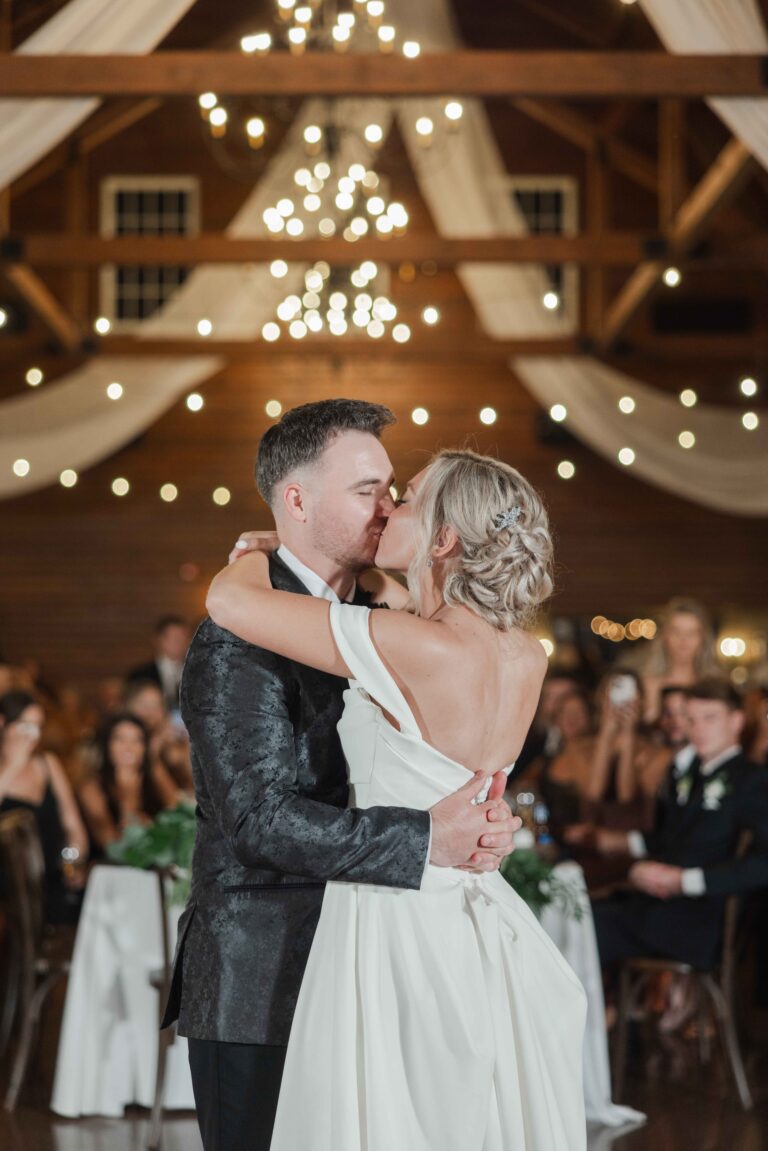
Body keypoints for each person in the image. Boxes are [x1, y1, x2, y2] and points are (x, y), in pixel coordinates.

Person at [161, 401, 523, 1151]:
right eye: (367, 490)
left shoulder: (387, 616)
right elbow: (258, 819)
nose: (388, 506)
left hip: (378, 963)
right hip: (265, 977)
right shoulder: (237, 640)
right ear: (296, 501)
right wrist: (430, 837)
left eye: (393, 488)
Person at [591, 679, 768, 974]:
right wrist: (626, 845)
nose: (698, 729)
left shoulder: (752, 781)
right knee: (581, 914)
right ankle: (609, 1014)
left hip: (698, 921)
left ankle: (601, 1016)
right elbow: (671, 838)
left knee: (584, 928)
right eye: (691, 719)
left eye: (709, 718)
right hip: (660, 910)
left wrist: (683, 880)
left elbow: (763, 863)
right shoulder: (691, 774)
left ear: (736, 721)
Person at [0, 691, 88, 924]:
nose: (33, 736)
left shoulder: (48, 763)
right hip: (8, 890)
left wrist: (74, 858)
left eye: (38, 727)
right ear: (3, 724)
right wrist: (14, 765)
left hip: (51, 878)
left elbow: (72, 824)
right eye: (25, 726)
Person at [78, 713, 175, 854]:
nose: (129, 747)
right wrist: (129, 799)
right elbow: (112, 847)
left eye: (137, 740)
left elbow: (179, 815)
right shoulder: (91, 787)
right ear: (107, 745)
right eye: (120, 739)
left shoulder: (152, 777)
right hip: (112, 871)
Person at [637, 598, 718, 723]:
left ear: (703, 639)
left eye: (692, 633)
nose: (683, 640)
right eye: (676, 632)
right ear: (664, 636)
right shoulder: (646, 685)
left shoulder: (716, 686)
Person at [126, 615, 191, 709]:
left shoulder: (199, 674)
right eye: (174, 638)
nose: (179, 642)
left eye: (183, 637)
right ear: (158, 640)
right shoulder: (139, 675)